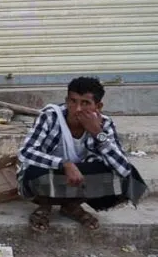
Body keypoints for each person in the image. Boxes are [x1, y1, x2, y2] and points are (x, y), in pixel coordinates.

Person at [18, 77, 148, 232]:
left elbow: (123, 167)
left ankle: (71, 205)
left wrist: (97, 133)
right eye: (73, 101)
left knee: (126, 178)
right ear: (67, 101)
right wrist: (64, 164)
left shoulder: (104, 123)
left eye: (85, 103)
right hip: (51, 173)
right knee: (33, 172)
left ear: (98, 106)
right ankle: (45, 204)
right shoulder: (50, 116)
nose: (77, 108)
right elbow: (25, 152)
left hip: (80, 177)